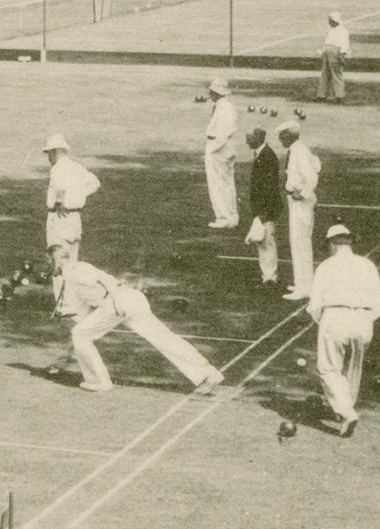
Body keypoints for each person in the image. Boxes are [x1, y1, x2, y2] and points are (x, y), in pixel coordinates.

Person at [49, 245, 225, 394]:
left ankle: (99, 381)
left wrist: (116, 300)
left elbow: (103, 279)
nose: (49, 266)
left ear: (57, 259)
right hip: (133, 299)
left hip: (118, 303)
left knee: (80, 335)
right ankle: (208, 374)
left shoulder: (71, 271)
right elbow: (86, 312)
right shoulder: (74, 271)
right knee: (164, 338)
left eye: (50, 261)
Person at [306, 224, 380, 437]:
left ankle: (347, 412)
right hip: (363, 318)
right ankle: (345, 409)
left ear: (332, 244)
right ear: (350, 242)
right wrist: (364, 319)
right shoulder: (367, 265)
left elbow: (314, 305)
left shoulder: (326, 266)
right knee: (354, 368)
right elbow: (378, 305)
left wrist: (323, 321)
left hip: (335, 316)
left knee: (329, 369)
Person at [279, 120, 321, 300]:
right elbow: (317, 166)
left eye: (282, 136)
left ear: (289, 135)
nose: (280, 140)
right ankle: (302, 282)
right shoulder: (298, 149)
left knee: (300, 243)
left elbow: (311, 176)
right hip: (296, 199)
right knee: (298, 242)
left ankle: (304, 287)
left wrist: (302, 193)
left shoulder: (299, 151)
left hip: (300, 202)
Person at [42, 134, 101, 263]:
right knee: (72, 265)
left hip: (60, 218)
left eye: (49, 153)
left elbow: (60, 187)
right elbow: (95, 183)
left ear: (54, 152)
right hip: (75, 220)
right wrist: (78, 195)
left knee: (58, 265)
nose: (48, 157)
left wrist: (59, 202)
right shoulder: (77, 167)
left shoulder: (57, 168)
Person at [245, 127, 284, 288]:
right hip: (263, 208)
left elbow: (269, 187)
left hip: (266, 209)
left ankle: (269, 278)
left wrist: (263, 212)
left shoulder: (267, 157)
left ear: (259, 138)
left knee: (266, 241)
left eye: (250, 137)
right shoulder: (263, 154)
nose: (247, 140)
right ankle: (267, 275)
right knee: (263, 241)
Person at [203, 78, 239, 229]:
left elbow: (223, 133)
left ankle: (224, 218)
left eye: (212, 91)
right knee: (226, 183)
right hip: (225, 148)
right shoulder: (225, 106)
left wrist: (212, 150)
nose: (209, 93)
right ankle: (231, 216)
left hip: (219, 149)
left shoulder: (223, 107)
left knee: (218, 184)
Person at [317, 12, 350, 102]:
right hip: (328, 53)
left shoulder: (343, 31)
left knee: (336, 74)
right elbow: (327, 42)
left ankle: (339, 96)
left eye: (330, 21)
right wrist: (323, 52)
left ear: (335, 21)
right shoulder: (331, 30)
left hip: (336, 53)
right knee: (325, 73)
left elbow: (345, 44)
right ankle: (322, 95)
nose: (329, 23)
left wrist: (342, 55)